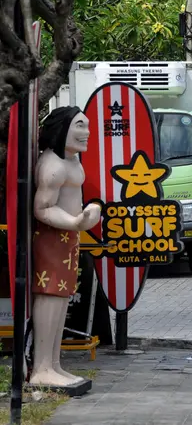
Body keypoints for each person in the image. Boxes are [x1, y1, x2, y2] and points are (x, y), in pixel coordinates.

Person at [31, 106, 101, 386]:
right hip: (51, 238)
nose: (86, 133)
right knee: (49, 296)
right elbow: (42, 208)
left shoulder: (69, 160)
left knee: (62, 297)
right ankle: (41, 368)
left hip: (68, 238)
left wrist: (81, 219)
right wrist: (74, 222)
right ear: (62, 129)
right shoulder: (52, 166)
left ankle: (53, 363)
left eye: (86, 126)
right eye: (79, 126)